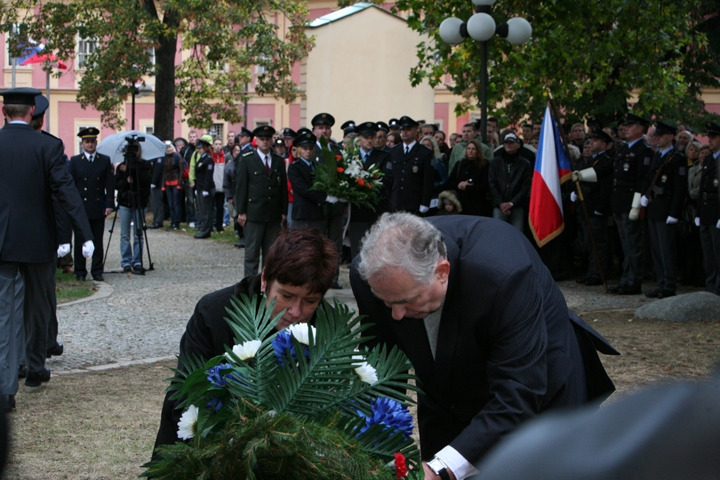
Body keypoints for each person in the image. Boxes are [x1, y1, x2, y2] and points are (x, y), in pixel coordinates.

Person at [350, 213, 617, 479]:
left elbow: (519, 392)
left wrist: (440, 469)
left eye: (406, 301)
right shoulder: (373, 276)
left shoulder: (504, 273)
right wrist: (380, 452)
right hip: (445, 395)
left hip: (538, 392)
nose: (396, 315)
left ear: (441, 272)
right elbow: (381, 373)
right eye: (387, 303)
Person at [153, 227, 338, 451]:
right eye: (287, 296)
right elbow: (185, 395)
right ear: (265, 280)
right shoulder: (214, 313)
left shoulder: (330, 328)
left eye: (310, 301)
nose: (296, 312)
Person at [0, 88, 94, 410]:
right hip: (37, 241)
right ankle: (35, 367)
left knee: (5, 313)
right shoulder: (48, 146)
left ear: (4, 112)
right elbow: (66, 192)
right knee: (39, 306)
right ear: (31, 113)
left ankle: (5, 389)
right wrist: (84, 233)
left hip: (3, 241)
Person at [607, 113, 654, 295]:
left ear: (640, 129)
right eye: (625, 126)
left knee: (633, 244)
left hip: (630, 203)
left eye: (630, 126)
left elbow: (642, 180)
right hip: (619, 202)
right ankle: (626, 279)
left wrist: (636, 206)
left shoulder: (643, 150)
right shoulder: (624, 149)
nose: (625, 129)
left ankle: (633, 282)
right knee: (625, 245)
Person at [641, 121, 687, 299]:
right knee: (656, 249)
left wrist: (674, 213)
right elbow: (649, 178)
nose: (657, 139)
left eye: (661, 136)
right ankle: (661, 282)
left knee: (666, 249)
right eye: (656, 136)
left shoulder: (677, 158)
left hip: (666, 209)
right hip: (654, 207)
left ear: (670, 136)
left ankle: (669, 284)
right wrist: (645, 194)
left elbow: (680, 189)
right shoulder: (658, 155)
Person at [235, 125, 288, 276]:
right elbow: (241, 187)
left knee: (270, 255)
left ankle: (267, 284)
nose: (265, 142)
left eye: (267, 139)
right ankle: (250, 285)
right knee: (251, 253)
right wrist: (241, 211)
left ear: (272, 140)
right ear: (256, 140)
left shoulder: (278, 161)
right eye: (262, 139)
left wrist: (283, 211)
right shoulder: (247, 159)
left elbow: (282, 188)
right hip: (254, 213)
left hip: (273, 213)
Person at [68, 127, 115, 282]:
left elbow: (109, 183)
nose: (90, 144)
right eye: (87, 142)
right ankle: (80, 271)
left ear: (96, 143)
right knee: (80, 239)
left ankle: (97, 270)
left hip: (97, 205)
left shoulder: (104, 160)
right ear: (82, 144)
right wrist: (71, 205)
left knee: (97, 240)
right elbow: (70, 184)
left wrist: (109, 203)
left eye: (92, 141)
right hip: (81, 207)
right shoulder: (75, 161)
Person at [571, 130, 614, 286]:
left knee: (598, 243)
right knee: (590, 242)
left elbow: (605, 186)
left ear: (603, 144)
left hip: (596, 207)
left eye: (595, 141)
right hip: (587, 207)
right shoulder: (592, 160)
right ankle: (591, 271)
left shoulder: (605, 161)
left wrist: (601, 208)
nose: (591, 143)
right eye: (591, 141)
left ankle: (598, 273)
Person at [347, 122, 393, 260]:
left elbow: (387, 180)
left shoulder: (384, 156)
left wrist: (366, 190)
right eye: (366, 137)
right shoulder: (351, 157)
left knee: (378, 248)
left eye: (372, 137)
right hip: (357, 211)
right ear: (359, 139)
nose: (370, 140)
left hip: (377, 209)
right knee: (358, 247)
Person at [115, 144, 153, 273]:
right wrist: (126, 177)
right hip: (125, 202)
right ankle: (126, 261)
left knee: (138, 234)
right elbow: (117, 184)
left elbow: (147, 181)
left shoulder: (145, 165)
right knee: (124, 234)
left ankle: (137, 261)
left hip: (139, 203)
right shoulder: (121, 166)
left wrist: (133, 171)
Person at [390, 116, 434, 215]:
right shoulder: (394, 151)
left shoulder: (425, 152)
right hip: (396, 201)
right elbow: (391, 177)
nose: (405, 132)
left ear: (416, 131)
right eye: (403, 129)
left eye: (408, 129)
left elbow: (428, 181)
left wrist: (425, 203)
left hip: (414, 202)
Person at [488, 133, 532, 232]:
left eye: (511, 142)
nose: (508, 145)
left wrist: (512, 203)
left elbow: (525, 187)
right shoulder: (495, 162)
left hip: (517, 206)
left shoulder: (525, 164)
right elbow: (492, 184)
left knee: (517, 234)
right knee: (497, 234)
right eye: (506, 142)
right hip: (499, 206)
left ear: (518, 145)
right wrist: (501, 203)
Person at [696, 122, 720, 295]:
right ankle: (711, 284)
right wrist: (698, 213)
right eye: (709, 137)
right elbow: (703, 187)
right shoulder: (710, 159)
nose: (709, 140)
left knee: (718, 252)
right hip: (706, 210)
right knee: (708, 253)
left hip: (717, 211)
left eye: (714, 137)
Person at [446, 138, 491, 217]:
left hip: (477, 205)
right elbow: (449, 182)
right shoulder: (460, 164)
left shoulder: (484, 165)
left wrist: (468, 187)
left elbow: (485, 186)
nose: (470, 151)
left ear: (478, 151)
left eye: (473, 149)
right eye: (468, 148)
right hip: (461, 205)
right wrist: (459, 185)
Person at [193, 135, 216, 239]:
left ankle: (206, 230)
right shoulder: (202, 158)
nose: (199, 150)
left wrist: (206, 189)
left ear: (205, 148)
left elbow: (208, 176)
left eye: (201, 148)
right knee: (202, 210)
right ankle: (204, 228)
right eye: (198, 148)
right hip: (200, 187)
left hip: (206, 188)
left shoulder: (208, 159)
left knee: (206, 211)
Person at [161, 141, 186, 231]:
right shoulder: (165, 157)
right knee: (170, 204)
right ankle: (173, 222)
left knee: (176, 204)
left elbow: (181, 170)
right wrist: (163, 185)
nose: (168, 149)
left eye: (169, 147)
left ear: (172, 147)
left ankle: (176, 223)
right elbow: (164, 172)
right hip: (168, 183)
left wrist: (179, 184)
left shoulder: (177, 156)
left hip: (176, 183)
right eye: (166, 147)